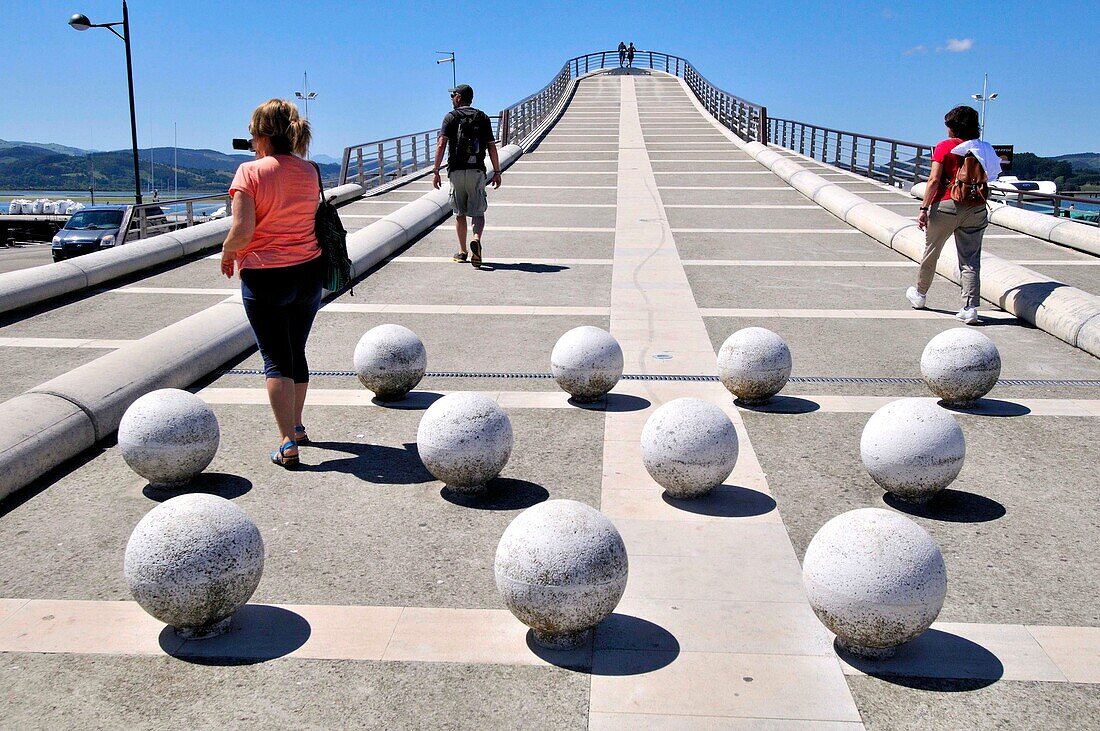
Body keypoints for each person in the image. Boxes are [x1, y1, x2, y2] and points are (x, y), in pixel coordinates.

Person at [221, 99, 323, 468]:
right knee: (296, 351)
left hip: (265, 276)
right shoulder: (310, 170)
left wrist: (227, 253)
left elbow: (242, 230)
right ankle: (295, 426)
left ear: (260, 134)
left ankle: (285, 444)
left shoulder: (248, 173)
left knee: (275, 359)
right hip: (309, 272)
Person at [906, 105, 1000, 324]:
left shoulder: (944, 147)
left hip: (946, 205)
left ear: (953, 127)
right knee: (970, 259)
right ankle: (970, 307)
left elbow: (934, 180)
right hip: (976, 206)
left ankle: (920, 295)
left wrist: (924, 208)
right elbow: (992, 175)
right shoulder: (984, 148)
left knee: (932, 252)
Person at [432, 83, 502, 269]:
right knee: (478, 212)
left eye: (452, 96)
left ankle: (463, 252)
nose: (451, 99)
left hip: (455, 171)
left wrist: (436, 171)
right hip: (476, 170)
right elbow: (492, 146)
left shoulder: (450, 117)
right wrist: (497, 171)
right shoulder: (482, 117)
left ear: (459, 97)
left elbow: (441, 145)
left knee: (459, 212)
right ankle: (476, 239)